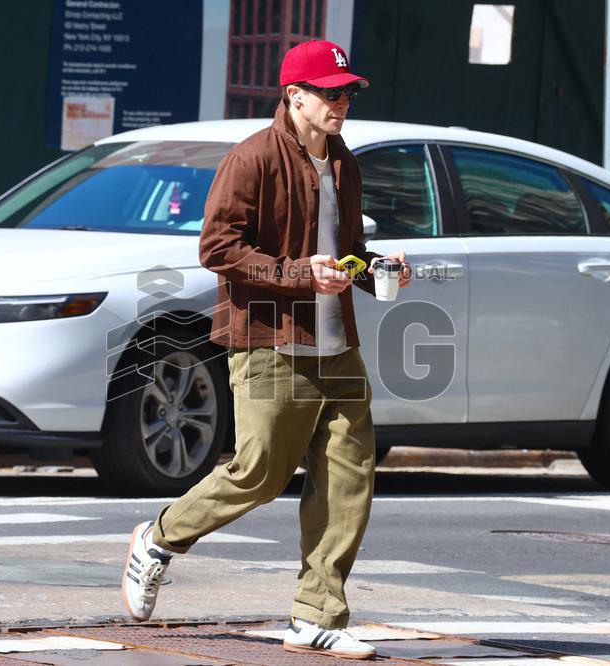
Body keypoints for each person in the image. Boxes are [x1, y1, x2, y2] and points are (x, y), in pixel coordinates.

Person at [121, 39, 411, 660]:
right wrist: (299, 274)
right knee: (260, 472)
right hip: (268, 340)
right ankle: (161, 537)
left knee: (348, 475)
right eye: (330, 93)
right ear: (295, 95)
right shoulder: (251, 159)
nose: (341, 104)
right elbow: (217, 249)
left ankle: (317, 613)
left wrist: (379, 267)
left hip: (337, 343)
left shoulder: (345, 163)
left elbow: (347, 249)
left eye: (347, 94)